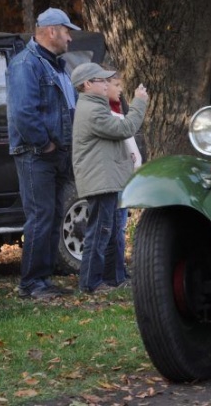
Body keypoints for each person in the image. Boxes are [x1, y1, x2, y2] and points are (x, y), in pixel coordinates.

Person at [6, 7, 81, 300]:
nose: (70, 39)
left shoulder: (56, 65)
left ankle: (44, 280)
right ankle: (32, 283)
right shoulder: (26, 64)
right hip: (36, 154)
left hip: (56, 154)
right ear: (51, 31)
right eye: (66, 31)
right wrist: (44, 144)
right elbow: (24, 113)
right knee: (40, 216)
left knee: (53, 215)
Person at [70, 62, 148, 293]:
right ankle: (90, 283)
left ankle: (107, 279)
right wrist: (140, 103)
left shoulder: (96, 107)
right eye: (101, 80)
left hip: (104, 179)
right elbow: (126, 128)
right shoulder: (93, 110)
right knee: (99, 231)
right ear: (87, 84)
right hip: (99, 181)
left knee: (107, 229)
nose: (106, 84)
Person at [102, 72, 143, 287]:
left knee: (120, 226)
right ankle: (113, 275)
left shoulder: (119, 108)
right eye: (116, 85)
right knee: (114, 226)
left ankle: (119, 271)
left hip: (124, 173)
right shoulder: (106, 114)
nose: (120, 90)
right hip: (115, 175)